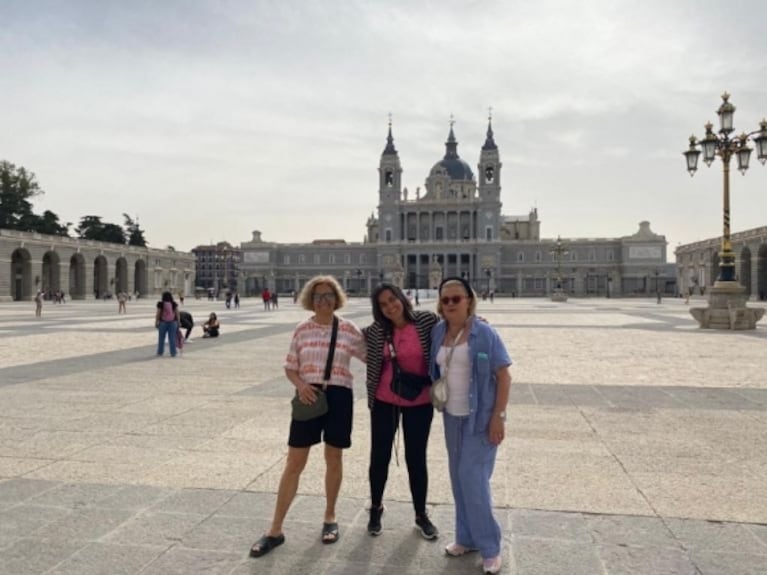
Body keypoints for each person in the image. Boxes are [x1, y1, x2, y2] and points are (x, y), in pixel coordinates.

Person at [249, 275, 366, 558]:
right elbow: (290, 366)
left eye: (328, 295)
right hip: (308, 396)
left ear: (336, 298)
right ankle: (275, 529)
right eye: (318, 296)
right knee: (294, 462)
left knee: (334, 458)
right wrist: (301, 386)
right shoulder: (302, 329)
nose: (323, 300)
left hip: (339, 397)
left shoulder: (349, 329)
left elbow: (374, 355)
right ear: (310, 301)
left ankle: (330, 517)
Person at [430, 277, 511, 575]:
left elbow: (504, 376)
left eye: (457, 298)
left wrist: (498, 417)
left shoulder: (485, 333)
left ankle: (490, 548)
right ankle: (466, 537)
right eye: (446, 299)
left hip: (480, 418)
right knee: (458, 479)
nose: (451, 304)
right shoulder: (438, 331)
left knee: (472, 479)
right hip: (452, 418)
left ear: (469, 300)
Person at [363, 283, 439, 539]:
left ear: (402, 297)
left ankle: (420, 513)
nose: (389, 307)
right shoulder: (376, 331)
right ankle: (375, 507)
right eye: (382, 305)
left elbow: (452, 330)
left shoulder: (426, 321)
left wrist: (476, 322)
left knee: (416, 458)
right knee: (379, 456)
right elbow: (347, 337)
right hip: (385, 400)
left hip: (420, 401)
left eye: (392, 300)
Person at [155, 291, 180, 357]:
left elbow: (158, 314)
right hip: (173, 322)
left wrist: (156, 322)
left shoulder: (161, 304)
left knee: (161, 338)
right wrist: (178, 322)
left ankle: (160, 352)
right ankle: (173, 352)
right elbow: (177, 313)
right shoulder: (174, 304)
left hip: (163, 322)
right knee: (172, 338)